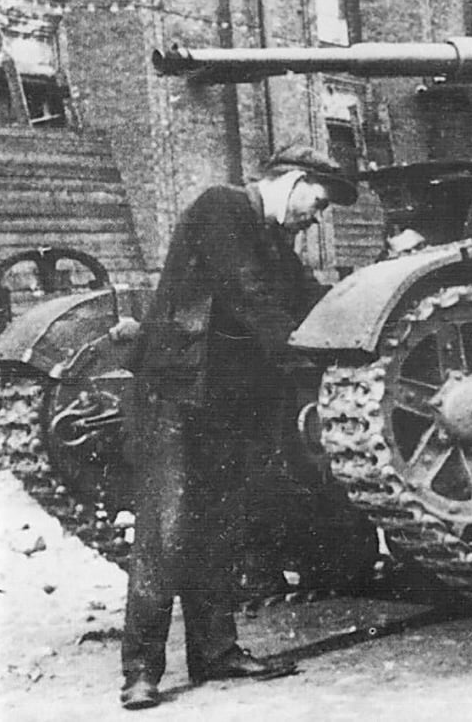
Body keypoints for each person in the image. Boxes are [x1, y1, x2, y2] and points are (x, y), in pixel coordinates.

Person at [119, 145, 360, 710]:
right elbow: (249, 295)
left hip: (227, 403)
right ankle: (141, 670)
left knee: (221, 526)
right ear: (296, 181)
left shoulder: (277, 241)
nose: (316, 216)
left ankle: (216, 651)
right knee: (165, 530)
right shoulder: (221, 208)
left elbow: (310, 300)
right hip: (175, 395)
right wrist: (305, 361)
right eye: (318, 202)